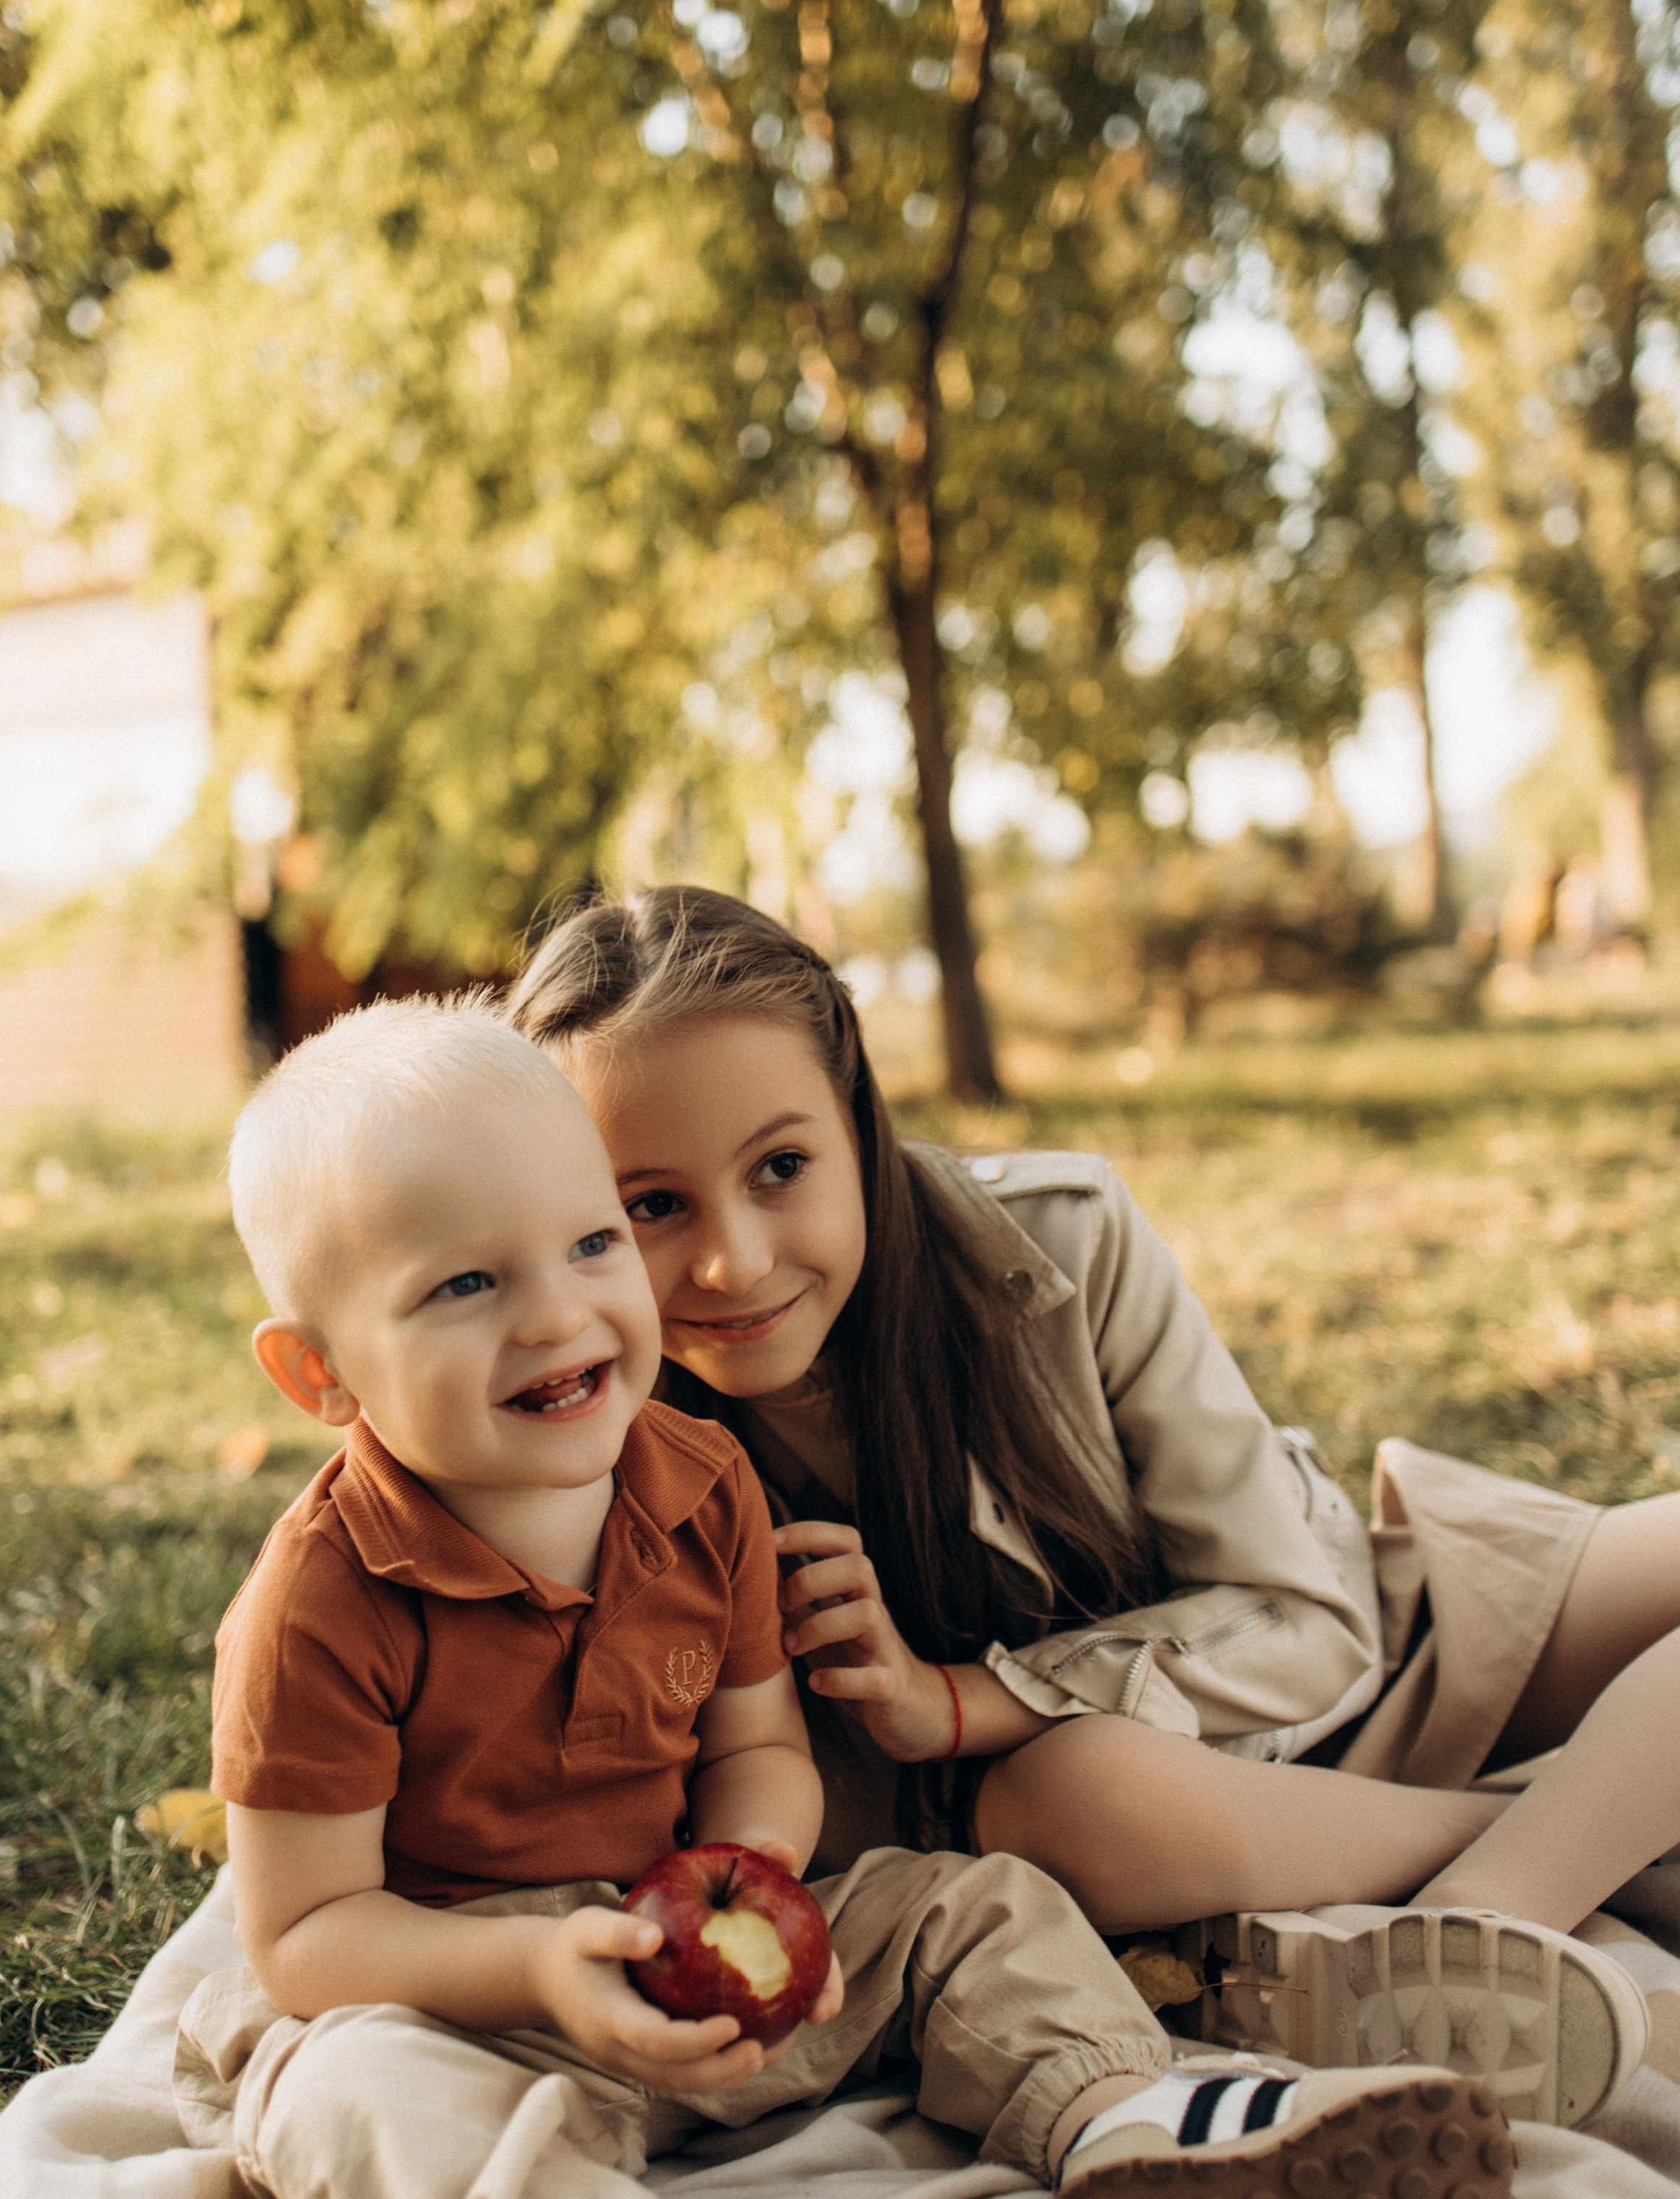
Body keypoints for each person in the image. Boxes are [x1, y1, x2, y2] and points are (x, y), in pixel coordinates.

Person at [179, 997, 1513, 2199]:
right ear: (318, 1375)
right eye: (466, 1286)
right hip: (470, 2004)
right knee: (352, 2102)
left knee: (965, 1910)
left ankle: (1139, 2131)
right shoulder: (317, 1604)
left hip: (702, 1952)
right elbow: (301, 1937)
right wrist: (535, 1966)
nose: (556, 1316)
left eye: (591, 1244)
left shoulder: (699, 1487)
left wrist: (750, 1861)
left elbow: (760, 1745)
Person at [507, 887, 1665, 2129]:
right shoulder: (583, 1433)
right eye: (650, 1206)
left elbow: (1309, 1623)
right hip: (1140, 1817)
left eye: (781, 1167)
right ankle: (1574, 1849)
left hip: (1368, 1650)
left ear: (856, 1121)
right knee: (1077, 1802)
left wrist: (953, 1701)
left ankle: (1491, 1902)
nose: (734, 1258)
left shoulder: (1056, 1245)